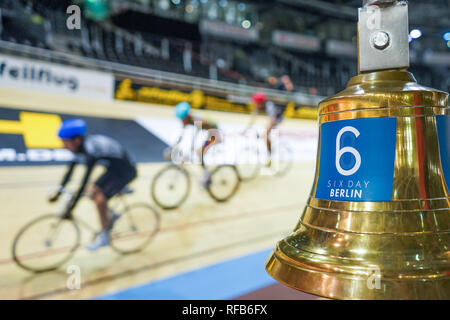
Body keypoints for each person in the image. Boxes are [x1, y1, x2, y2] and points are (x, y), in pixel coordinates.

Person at [49, 119, 137, 251]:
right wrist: (58, 193)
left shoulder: (91, 148)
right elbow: (70, 172)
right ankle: (110, 215)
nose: (63, 146)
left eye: (65, 142)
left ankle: (105, 236)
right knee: (89, 191)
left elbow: (84, 179)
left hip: (125, 172)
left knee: (100, 199)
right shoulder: (80, 146)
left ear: (76, 140)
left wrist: (71, 208)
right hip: (113, 169)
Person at [173, 102, 222, 187]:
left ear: (186, 117)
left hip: (215, 135)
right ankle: (206, 174)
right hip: (210, 133)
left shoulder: (197, 120)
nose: (182, 122)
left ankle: (207, 175)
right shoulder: (189, 120)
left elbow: (196, 136)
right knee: (198, 151)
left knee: (200, 152)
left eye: (182, 119)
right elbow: (183, 135)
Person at [246, 92, 286, 162]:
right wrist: (246, 129)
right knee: (262, 132)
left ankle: (269, 154)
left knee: (266, 134)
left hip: (278, 119)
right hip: (272, 118)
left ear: (261, 103)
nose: (255, 104)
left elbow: (272, 121)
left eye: (256, 103)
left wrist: (266, 132)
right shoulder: (258, 106)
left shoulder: (269, 106)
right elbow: (253, 119)